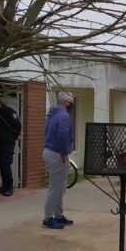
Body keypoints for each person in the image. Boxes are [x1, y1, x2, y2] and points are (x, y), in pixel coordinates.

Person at [43, 92, 75, 229]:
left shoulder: (52, 114)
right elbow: (62, 135)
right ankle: (48, 218)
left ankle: (58, 215)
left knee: (60, 187)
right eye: (71, 102)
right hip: (57, 153)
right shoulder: (63, 116)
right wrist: (63, 154)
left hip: (50, 151)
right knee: (55, 188)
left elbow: (47, 132)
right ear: (67, 102)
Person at [0, 97, 21, 196]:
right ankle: (4, 186)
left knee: (5, 164)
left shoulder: (9, 112)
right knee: (1, 165)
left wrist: (12, 138)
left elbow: (18, 126)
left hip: (7, 144)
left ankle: (9, 188)